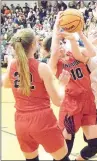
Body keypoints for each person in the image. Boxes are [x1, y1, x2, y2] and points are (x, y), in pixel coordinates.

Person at [2, 28, 72, 161]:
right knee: (62, 157)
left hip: (21, 121)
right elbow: (58, 101)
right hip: (42, 120)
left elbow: (6, 84)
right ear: (33, 45)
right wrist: (63, 84)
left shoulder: (12, 64)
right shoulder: (42, 67)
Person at [49, 12, 97, 160]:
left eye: (61, 44)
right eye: (57, 45)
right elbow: (54, 50)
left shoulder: (76, 55)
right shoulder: (54, 65)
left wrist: (79, 34)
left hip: (88, 102)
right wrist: (56, 27)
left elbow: (92, 52)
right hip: (71, 105)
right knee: (64, 152)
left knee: (95, 145)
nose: (60, 47)